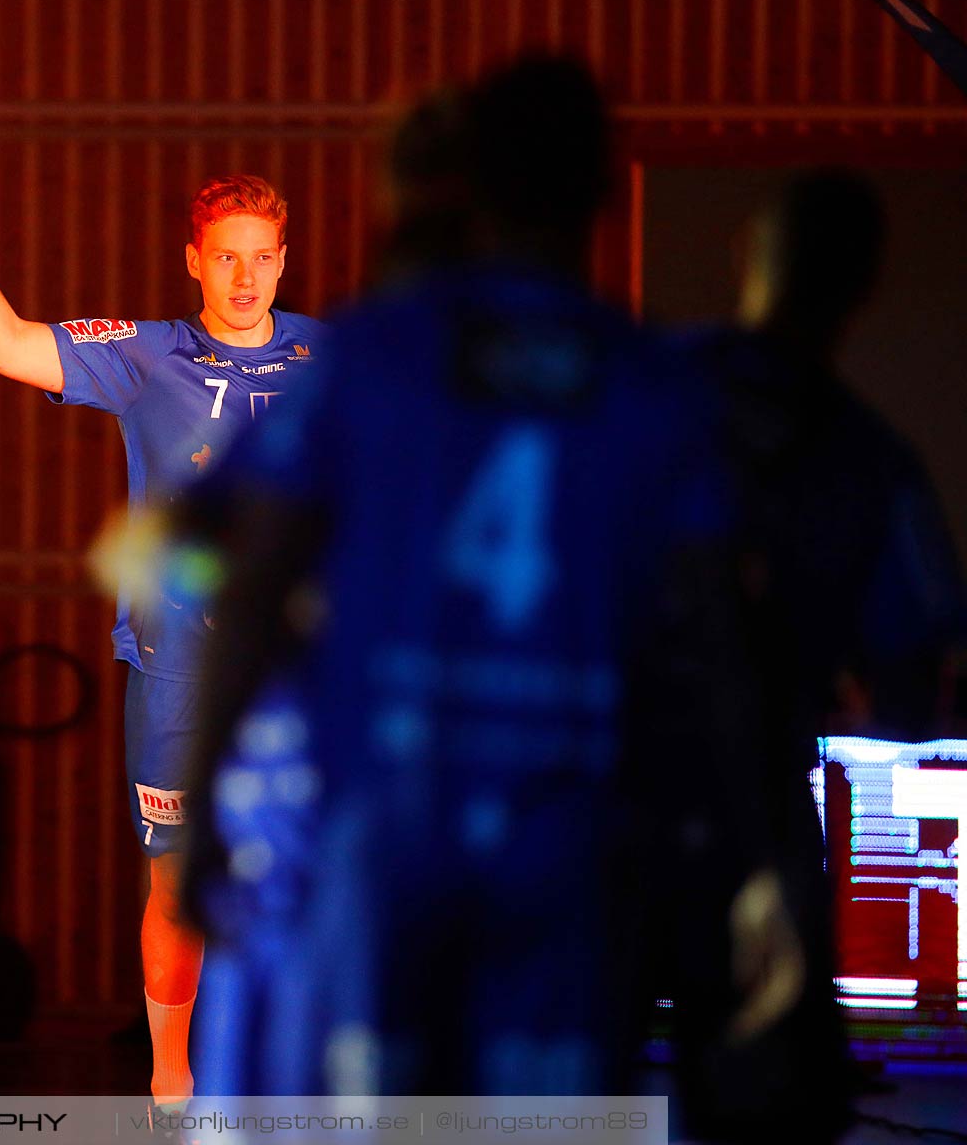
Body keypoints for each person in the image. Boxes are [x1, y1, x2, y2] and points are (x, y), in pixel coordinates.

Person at [180, 56, 799, 1097]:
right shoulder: (654, 386)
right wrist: (762, 879)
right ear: (606, 187)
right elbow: (721, 655)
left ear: (471, 180)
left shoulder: (372, 352)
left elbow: (241, 583)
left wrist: (205, 810)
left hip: (383, 839)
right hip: (568, 854)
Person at [0, 116, 323, 1109]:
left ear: (284, 261)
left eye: (263, 259)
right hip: (175, 668)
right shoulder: (148, 355)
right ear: (195, 263)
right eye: (227, 259)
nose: (246, 279)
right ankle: (175, 1085)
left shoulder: (335, 362)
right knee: (174, 885)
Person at [661, 170, 967, 1141]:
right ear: (866, 285)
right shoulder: (876, 465)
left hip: (597, 806)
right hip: (757, 836)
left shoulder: (640, 389)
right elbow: (915, 702)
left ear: (746, 252)